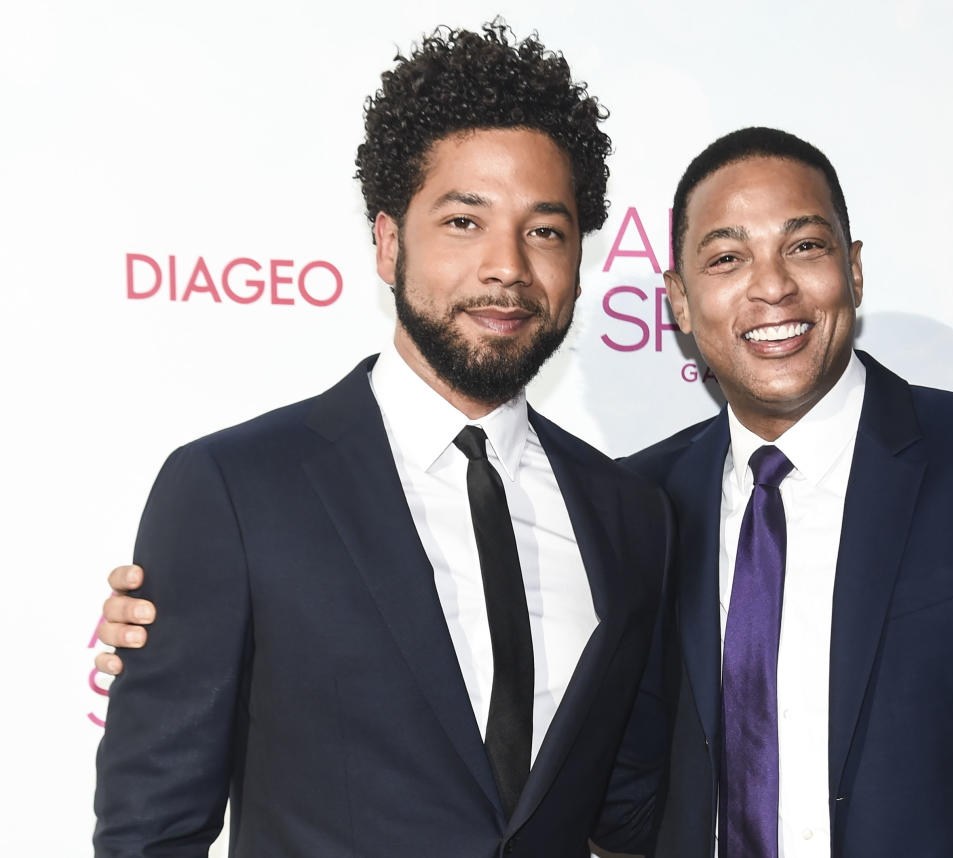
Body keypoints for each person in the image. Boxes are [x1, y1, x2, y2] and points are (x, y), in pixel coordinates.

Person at [98, 126, 953, 857]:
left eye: (802, 247)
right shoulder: (645, 505)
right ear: (675, 302)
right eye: (724, 259)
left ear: (852, 270)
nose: (769, 288)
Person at [92, 23, 672, 858]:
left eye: (544, 230)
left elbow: (632, 810)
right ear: (390, 241)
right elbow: (152, 831)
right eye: (464, 222)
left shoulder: (629, 514)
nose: (506, 265)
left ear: (578, 261)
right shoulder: (235, 491)